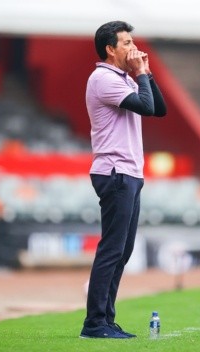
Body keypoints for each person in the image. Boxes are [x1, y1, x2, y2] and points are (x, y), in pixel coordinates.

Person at [79, 20, 166, 339]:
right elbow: (145, 107)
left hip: (128, 171)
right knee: (112, 248)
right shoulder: (103, 78)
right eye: (126, 43)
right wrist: (140, 74)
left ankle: (106, 319)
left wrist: (146, 73)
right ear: (110, 49)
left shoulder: (123, 78)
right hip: (115, 171)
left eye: (133, 41)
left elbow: (159, 109)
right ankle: (94, 323)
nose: (133, 47)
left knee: (123, 249)